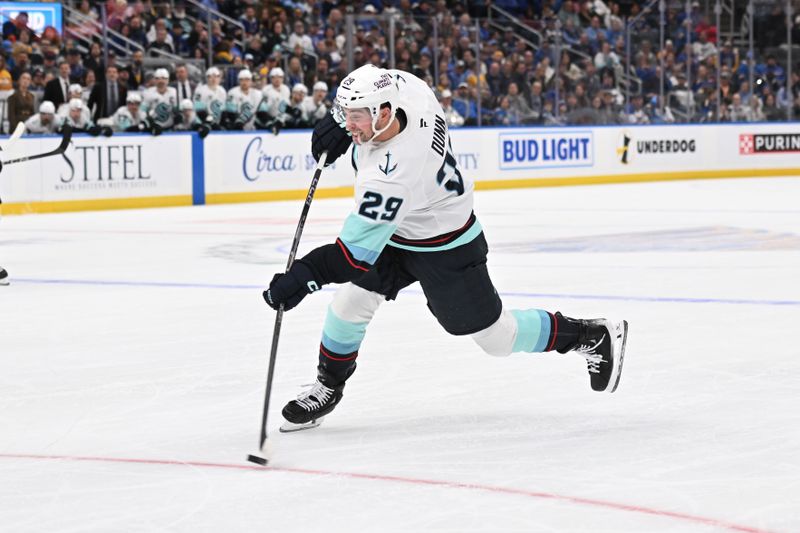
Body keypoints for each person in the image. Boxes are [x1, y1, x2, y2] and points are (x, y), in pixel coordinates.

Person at [263, 65, 629, 431]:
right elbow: (386, 79)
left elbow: (349, 259)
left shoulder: (391, 174)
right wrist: (340, 122)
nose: (350, 123)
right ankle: (328, 386)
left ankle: (590, 335)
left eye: (356, 116)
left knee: (497, 338)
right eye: (346, 113)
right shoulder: (413, 91)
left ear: (384, 113)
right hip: (397, 232)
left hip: (446, 244)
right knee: (349, 303)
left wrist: (303, 277)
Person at [141, 68, 178, 132]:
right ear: (154, 80)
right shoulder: (148, 93)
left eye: (163, 78)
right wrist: (147, 121)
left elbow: (177, 109)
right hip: (154, 128)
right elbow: (142, 110)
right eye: (158, 79)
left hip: (170, 129)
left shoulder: (174, 92)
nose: (161, 81)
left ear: (168, 80)